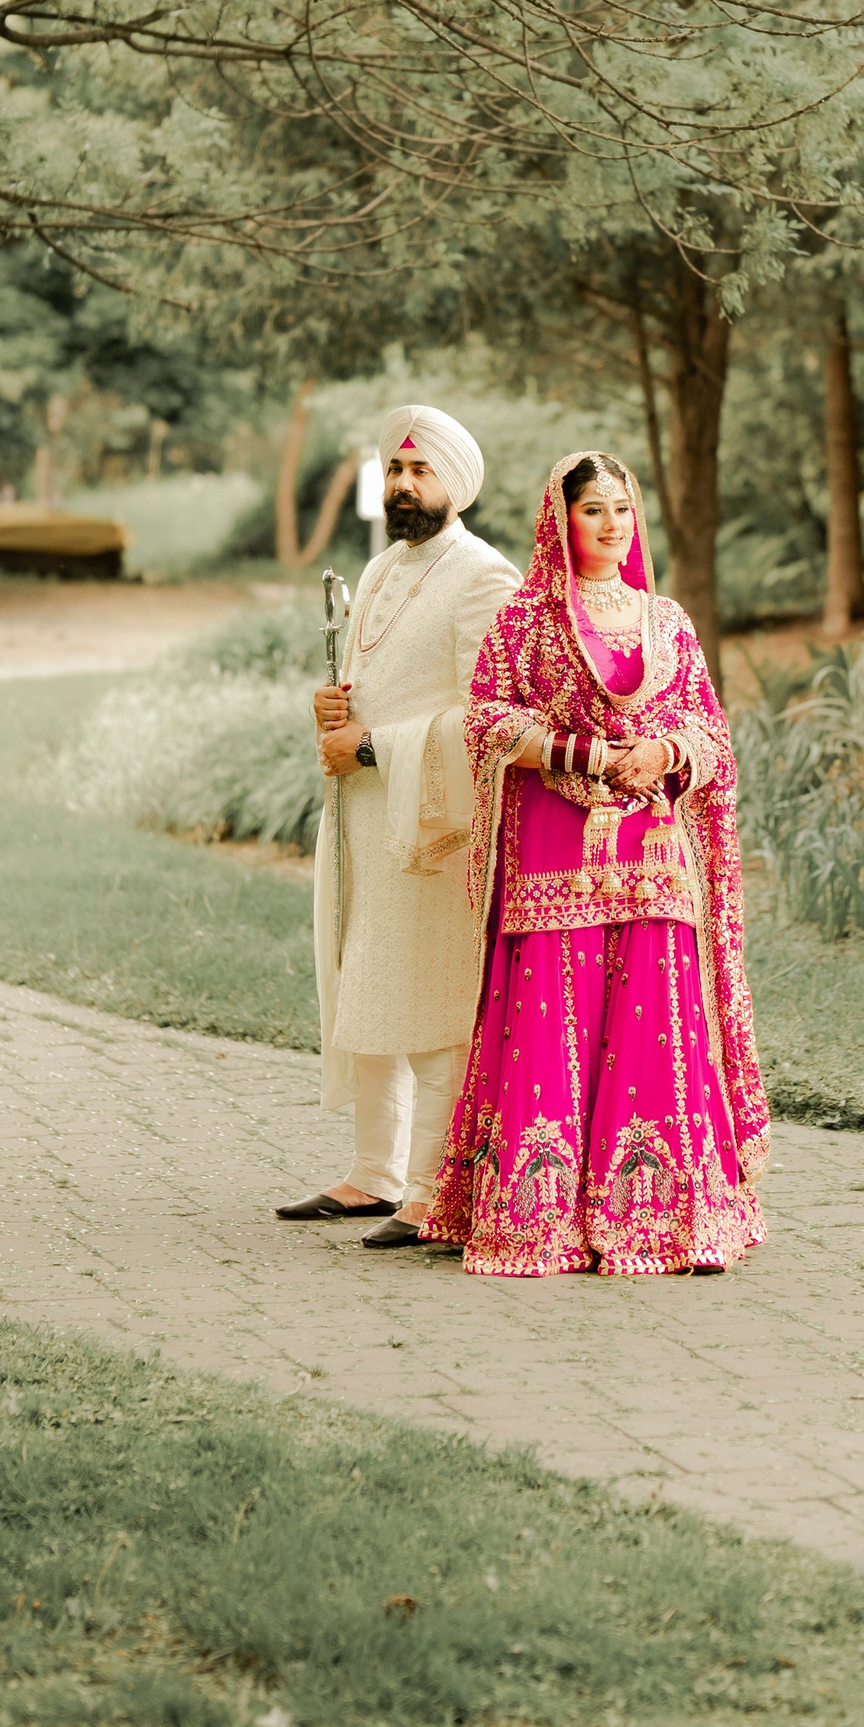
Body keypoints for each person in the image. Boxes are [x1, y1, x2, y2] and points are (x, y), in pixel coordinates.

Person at [418, 448, 768, 1276]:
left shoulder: (669, 621)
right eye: (593, 509)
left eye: (622, 508)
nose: (613, 524)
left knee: (658, 1022)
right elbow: (485, 719)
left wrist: (664, 753)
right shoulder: (527, 621)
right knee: (554, 1021)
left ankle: (668, 1217)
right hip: (555, 853)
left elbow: (712, 735)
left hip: (652, 854)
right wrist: (584, 754)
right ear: (560, 521)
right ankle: (538, 1219)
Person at [276, 404, 520, 1248]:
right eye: (394, 470)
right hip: (363, 814)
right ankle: (372, 1173)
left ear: (457, 483)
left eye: (420, 471)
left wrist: (373, 745)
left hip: (434, 823)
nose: (403, 485)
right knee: (367, 981)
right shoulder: (381, 568)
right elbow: (372, 687)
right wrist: (334, 710)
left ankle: (430, 1191)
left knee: (431, 997)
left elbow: (489, 720)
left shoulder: (485, 577)